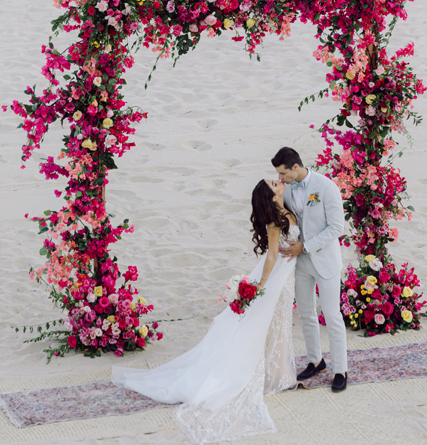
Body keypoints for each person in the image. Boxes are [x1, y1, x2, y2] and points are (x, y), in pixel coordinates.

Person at [112, 177, 299, 443]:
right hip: (275, 275)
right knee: (266, 323)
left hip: (285, 274)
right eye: (274, 183)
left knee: (276, 323)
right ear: (271, 196)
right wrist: (261, 287)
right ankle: (273, 376)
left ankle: (277, 374)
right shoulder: (274, 221)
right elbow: (271, 256)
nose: (278, 181)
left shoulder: (286, 207)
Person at [271, 146, 348, 393]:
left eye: (282, 173)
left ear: (295, 167)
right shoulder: (288, 188)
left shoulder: (327, 187)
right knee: (305, 314)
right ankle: (316, 361)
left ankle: (341, 369)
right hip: (300, 263)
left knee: (332, 316)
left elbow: (337, 227)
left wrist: (305, 247)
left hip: (324, 261)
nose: (279, 178)